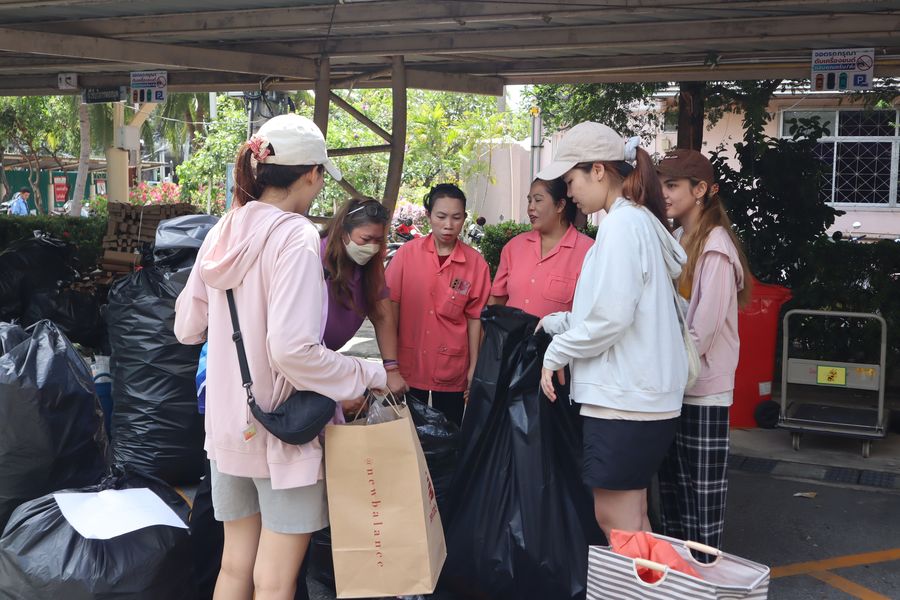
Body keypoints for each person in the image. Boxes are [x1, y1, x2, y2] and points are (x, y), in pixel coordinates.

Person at [174, 113, 386, 600]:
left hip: (227, 427)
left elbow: (186, 327)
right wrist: (368, 372)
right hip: (282, 430)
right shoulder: (295, 235)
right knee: (274, 580)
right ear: (310, 173)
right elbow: (292, 350)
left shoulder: (223, 230)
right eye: (320, 177)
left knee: (234, 568)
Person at [535, 122, 688, 538]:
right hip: (641, 400)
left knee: (615, 521)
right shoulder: (638, 221)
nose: (568, 192)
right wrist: (559, 323)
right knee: (633, 520)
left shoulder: (621, 226)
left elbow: (612, 318)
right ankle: (653, 577)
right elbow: (613, 310)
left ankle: (647, 578)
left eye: (571, 180)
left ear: (599, 170)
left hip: (624, 401)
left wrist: (557, 351)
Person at [655, 149, 751, 558]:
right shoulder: (677, 239)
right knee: (673, 495)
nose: (664, 193)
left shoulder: (716, 246)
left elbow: (703, 332)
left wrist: (665, 372)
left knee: (702, 503)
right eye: (661, 184)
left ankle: (706, 576)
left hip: (703, 389)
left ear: (700, 191)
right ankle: (682, 579)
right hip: (676, 387)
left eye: (672, 185)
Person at [386, 184, 490, 427]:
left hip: (452, 367)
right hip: (409, 363)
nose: (448, 225)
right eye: (441, 216)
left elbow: (475, 319)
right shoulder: (406, 255)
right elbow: (390, 309)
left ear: (464, 218)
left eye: (456, 217)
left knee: (449, 435)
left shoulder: (476, 264)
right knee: (408, 437)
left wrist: (474, 368)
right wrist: (390, 364)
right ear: (429, 215)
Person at [320, 197, 410, 407]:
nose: (372, 247)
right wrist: (334, 392)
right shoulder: (314, 255)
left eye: (378, 240)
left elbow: (383, 316)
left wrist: (391, 369)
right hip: (303, 361)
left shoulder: (371, 265)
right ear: (343, 233)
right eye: (366, 239)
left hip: (329, 359)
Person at [489, 178, 593, 318]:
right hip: (509, 333)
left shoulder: (588, 251)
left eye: (538, 200)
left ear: (560, 205)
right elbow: (496, 302)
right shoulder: (513, 247)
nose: (530, 207)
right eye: (529, 201)